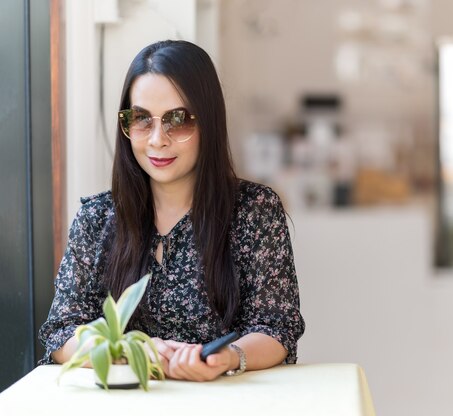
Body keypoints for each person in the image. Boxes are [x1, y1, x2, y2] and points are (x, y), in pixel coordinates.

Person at [38, 40, 305, 381]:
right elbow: (61, 332)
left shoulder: (254, 211)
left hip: (227, 402)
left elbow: (277, 327)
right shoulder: (97, 219)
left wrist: (228, 357)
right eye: (141, 119)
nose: (157, 140)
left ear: (208, 121)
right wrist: (129, 352)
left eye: (178, 121)